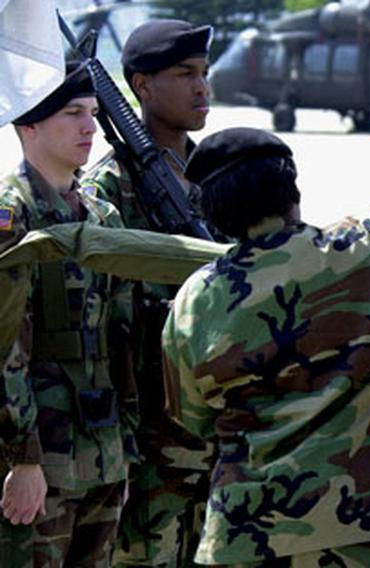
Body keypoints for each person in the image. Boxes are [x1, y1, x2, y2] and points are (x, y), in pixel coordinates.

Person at [163, 127, 370, 567]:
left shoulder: (195, 298)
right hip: (365, 525)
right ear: (291, 189)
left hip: (247, 533)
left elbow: (192, 415)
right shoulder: (361, 251)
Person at [79, 19, 215, 568]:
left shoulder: (218, 173)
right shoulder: (107, 190)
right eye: (186, 74)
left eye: (205, 73)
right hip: (146, 432)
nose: (203, 87)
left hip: (214, 428)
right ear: (142, 86)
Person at [0, 60, 137, 567]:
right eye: (73, 113)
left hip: (103, 449)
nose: (90, 127)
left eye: (94, 113)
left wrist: (129, 436)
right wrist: (24, 458)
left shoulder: (101, 216)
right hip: (41, 457)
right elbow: (5, 344)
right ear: (28, 125)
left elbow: (122, 331)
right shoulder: (11, 216)